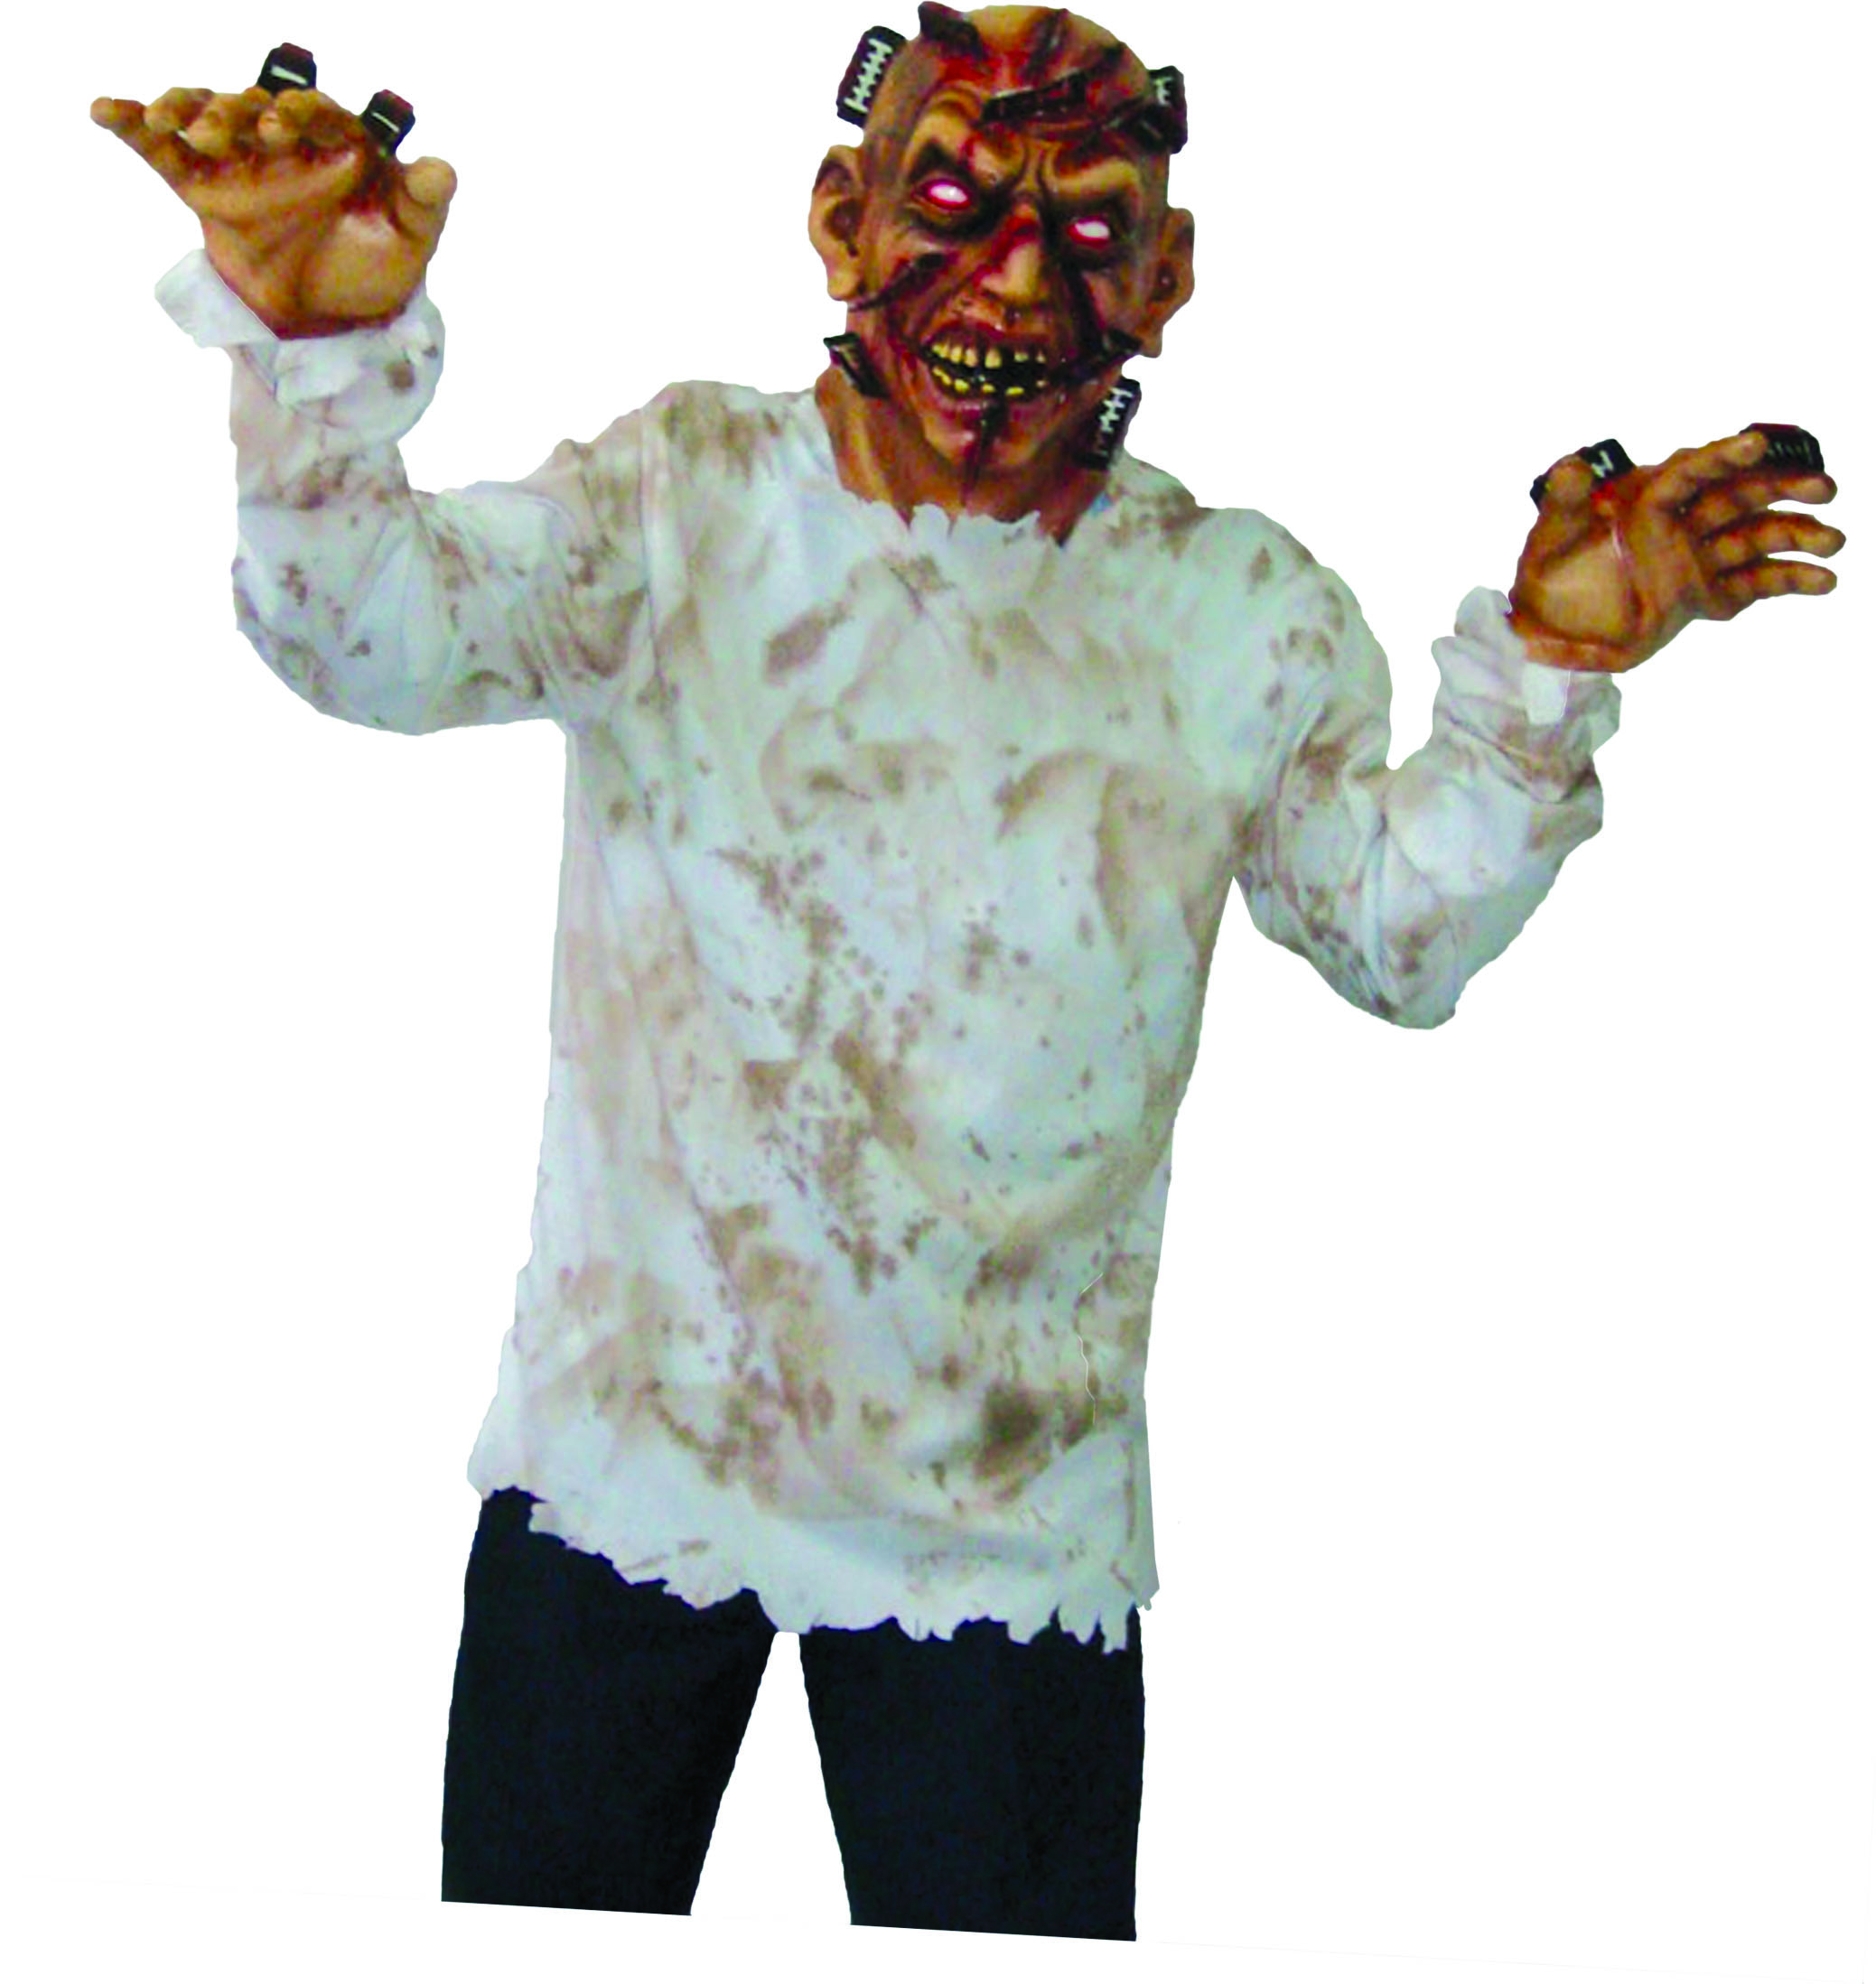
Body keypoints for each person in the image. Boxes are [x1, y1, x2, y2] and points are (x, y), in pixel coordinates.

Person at [91, 2, 1843, 1942]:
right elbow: (366, 638)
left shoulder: (1235, 614)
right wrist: (316, 361)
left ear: (1169, 277)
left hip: (1006, 1532)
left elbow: (1393, 934)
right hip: (630, 1458)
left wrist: (1550, 674)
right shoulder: (685, 502)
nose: (1015, 280)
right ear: (838, 220)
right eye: (952, 203)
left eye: (1089, 230)